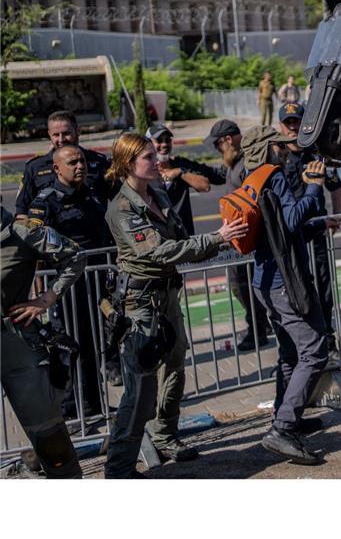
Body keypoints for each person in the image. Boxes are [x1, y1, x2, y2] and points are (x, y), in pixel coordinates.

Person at [102, 132, 246, 478]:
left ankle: (165, 435)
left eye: (155, 155)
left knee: (175, 368)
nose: (157, 161)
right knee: (140, 390)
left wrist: (219, 243)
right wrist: (216, 238)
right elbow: (157, 251)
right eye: (148, 157)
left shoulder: (158, 192)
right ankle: (119, 468)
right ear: (127, 164)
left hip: (166, 295)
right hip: (140, 304)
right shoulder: (121, 208)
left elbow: (179, 239)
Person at [242, 126, 329, 465]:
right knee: (314, 350)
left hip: (265, 281)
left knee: (291, 354)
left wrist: (319, 226)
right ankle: (283, 428)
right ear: (269, 149)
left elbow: (276, 233)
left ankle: (288, 414)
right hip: (283, 283)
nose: (284, 150)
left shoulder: (252, 179)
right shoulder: (273, 176)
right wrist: (314, 186)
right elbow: (292, 219)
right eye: (278, 145)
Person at [26, 144, 113, 418]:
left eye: (83, 161)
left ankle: (94, 404)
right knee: (66, 347)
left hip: (95, 284)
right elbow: (34, 246)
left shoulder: (92, 197)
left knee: (93, 346)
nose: (80, 166)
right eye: (73, 162)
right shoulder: (45, 203)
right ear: (56, 169)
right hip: (64, 289)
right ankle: (67, 409)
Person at [2, 208, 87, 478]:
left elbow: (75, 256)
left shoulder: (23, 232)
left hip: (16, 345)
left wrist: (45, 300)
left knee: (50, 437)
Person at [278, 102, 341, 359]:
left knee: (324, 288)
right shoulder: (278, 157)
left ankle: (328, 339)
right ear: (281, 126)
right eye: (289, 122)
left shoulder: (316, 154)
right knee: (295, 292)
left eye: (297, 121)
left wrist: (335, 216)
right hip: (291, 237)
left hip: (316, 234)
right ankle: (300, 346)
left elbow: (335, 186)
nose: (293, 127)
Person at [208, 118, 270, 351]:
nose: (216, 149)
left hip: (246, 237)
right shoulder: (233, 162)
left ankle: (257, 329)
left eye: (217, 144)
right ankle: (259, 325)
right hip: (237, 237)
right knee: (240, 285)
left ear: (227, 140)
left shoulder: (246, 164)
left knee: (243, 285)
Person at [15, 110, 112, 216]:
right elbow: (22, 211)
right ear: (49, 135)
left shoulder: (99, 162)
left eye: (66, 133)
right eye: (56, 135)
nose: (61, 139)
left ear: (77, 131)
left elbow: (121, 199)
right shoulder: (35, 167)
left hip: (94, 229)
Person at [147, 123, 227, 234]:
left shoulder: (180, 164)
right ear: (149, 144)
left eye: (167, 140)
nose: (164, 144)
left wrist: (180, 172)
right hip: (160, 236)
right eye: (159, 141)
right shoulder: (145, 171)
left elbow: (205, 186)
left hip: (185, 235)